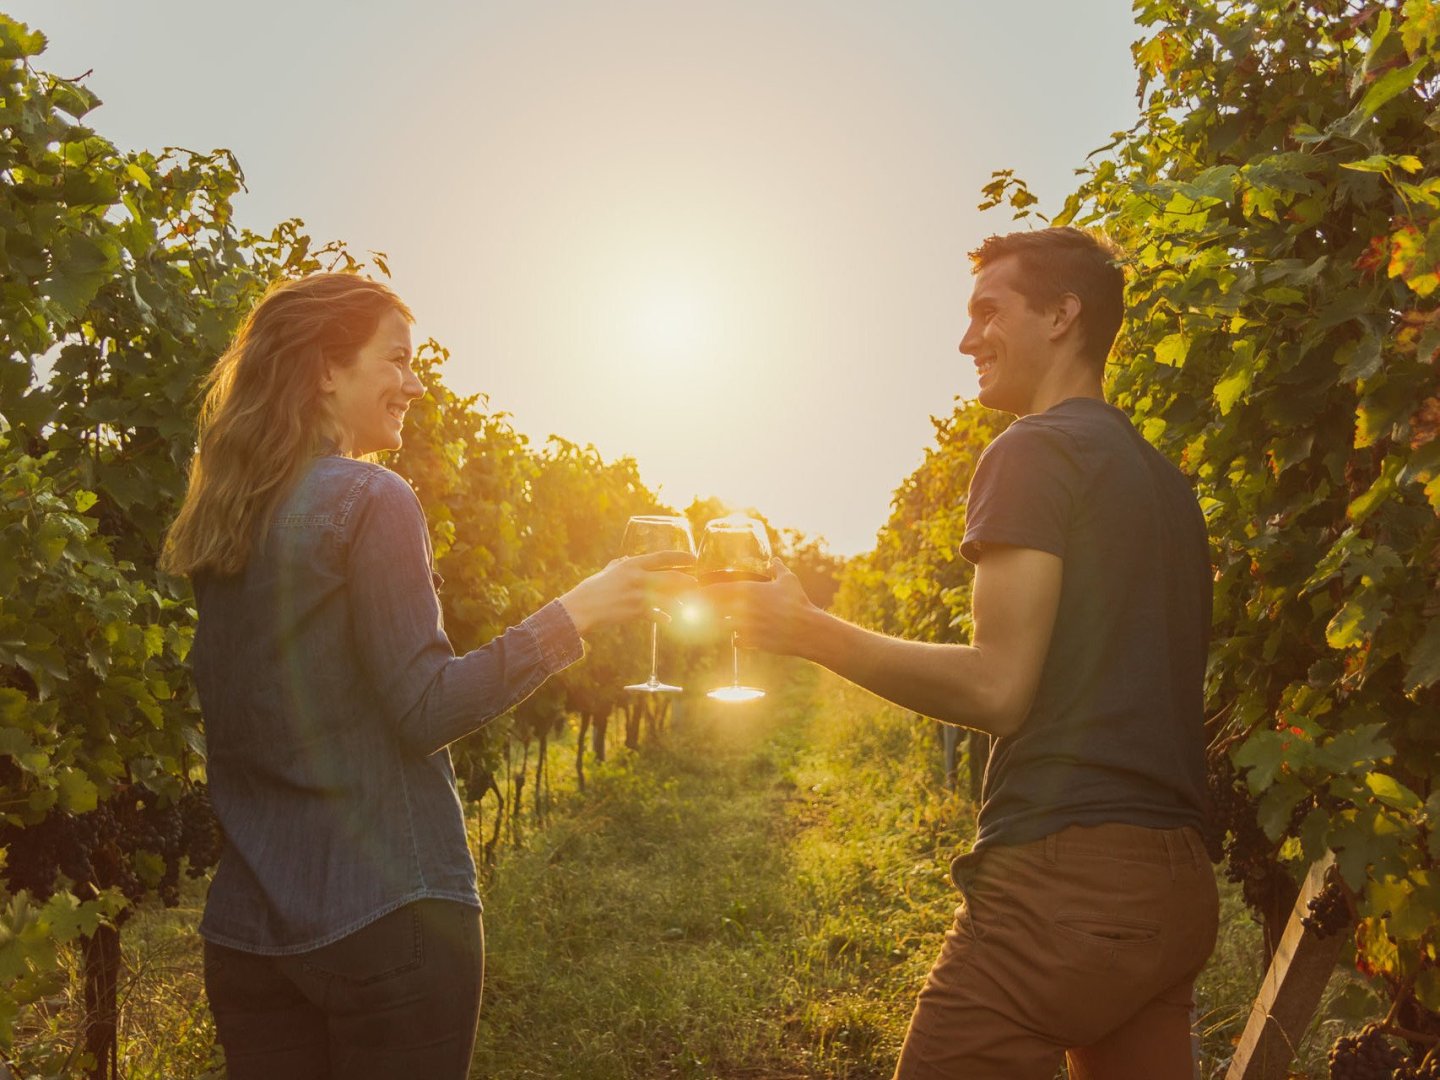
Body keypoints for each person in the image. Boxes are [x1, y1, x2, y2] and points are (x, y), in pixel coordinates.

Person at [713, 227, 1218, 1079]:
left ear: (1063, 315)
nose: (965, 338)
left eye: (989, 311)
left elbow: (998, 690)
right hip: (1174, 887)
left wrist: (811, 632)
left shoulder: (1034, 449)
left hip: (1066, 886)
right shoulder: (1161, 480)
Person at [161, 273, 692, 1080]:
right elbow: (425, 708)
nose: (415, 383)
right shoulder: (372, 499)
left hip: (247, 932)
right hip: (384, 918)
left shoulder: (225, 513)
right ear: (326, 370)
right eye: (398, 360)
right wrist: (575, 613)